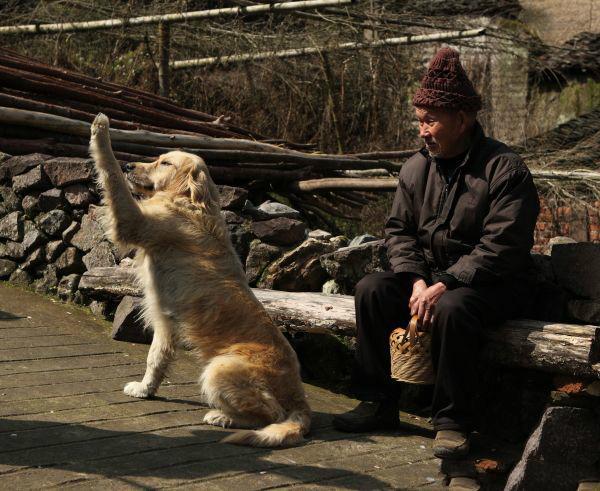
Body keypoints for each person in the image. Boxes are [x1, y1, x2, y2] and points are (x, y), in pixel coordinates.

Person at [332, 47, 540, 459]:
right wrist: (416, 279)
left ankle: (452, 420)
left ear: (462, 119)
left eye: (430, 121)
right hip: (429, 278)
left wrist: (446, 283)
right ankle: (378, 402)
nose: (422, 131)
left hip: (491, 284)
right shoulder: (416, 167)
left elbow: (503, 246)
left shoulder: (505, 169)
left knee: (452, 309)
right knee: (372, 289)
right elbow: (399, 232)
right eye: (419, 121)